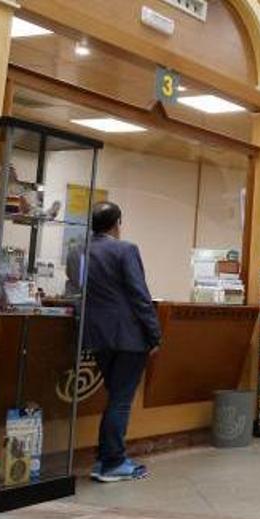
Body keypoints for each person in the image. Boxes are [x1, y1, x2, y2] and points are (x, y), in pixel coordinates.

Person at [82, 201, 160, 483]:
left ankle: (104, 459)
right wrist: (154, 334)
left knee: (115, 396)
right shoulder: (125, 249)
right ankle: (113, 462)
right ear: (117, 223)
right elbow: (139, 295)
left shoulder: (77, 251)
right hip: (128, 337)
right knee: (121, 400)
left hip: (96, 336)